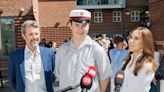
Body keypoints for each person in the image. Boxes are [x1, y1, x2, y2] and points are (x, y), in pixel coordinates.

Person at [55, 9, 112, 92]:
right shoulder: (61, 50)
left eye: (84, 25)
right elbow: (58, 76)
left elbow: (105, 77)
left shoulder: (97, 50)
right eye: (76, 25)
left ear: (89, 26)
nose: (80, 29)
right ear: (70, 25)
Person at [8, 20, 55, 92]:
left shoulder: (49, 53)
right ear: (24, 36)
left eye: (36, 34)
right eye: (31, 34)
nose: (34, 37)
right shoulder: (15, 56)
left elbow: (53, 76)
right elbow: (12, 80)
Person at [120, 27, 158, 92]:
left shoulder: (146, 65)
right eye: (131, 37)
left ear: (145, 43)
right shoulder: (126, 61)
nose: (131, 41)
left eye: (136, 38)